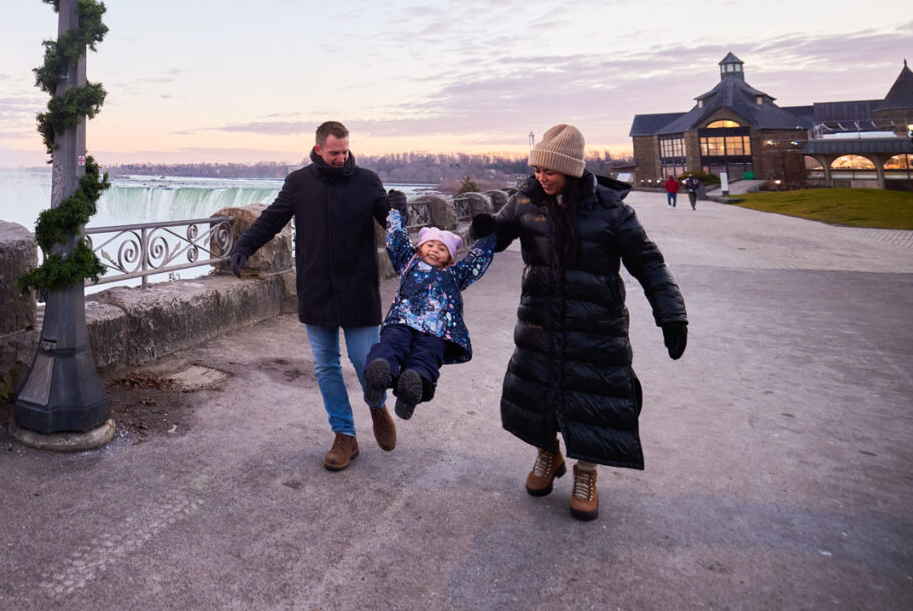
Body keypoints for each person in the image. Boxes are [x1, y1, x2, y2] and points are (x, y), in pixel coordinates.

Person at [489, 124, 688, 521]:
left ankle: (586, 473)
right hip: (540, 321)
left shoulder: (611, 211)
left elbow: (648, 262)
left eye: (550, 171)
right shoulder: (526, 200)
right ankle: (548, 454)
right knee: (537, 392)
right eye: (537, 169)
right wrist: (459, 243)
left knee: (591, 399)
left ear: (571, 170)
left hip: (595, 325)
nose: (541, 177)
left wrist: (671, 313)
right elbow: (494, 237)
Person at [228, 121, 389, 471]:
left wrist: (397, 207)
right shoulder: (299, 183)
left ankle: (377, 408)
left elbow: (387, 218)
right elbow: (272, 219)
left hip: (360, 288)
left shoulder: (368, 181)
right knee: (326, 366)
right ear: (318, 149)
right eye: (334, 152)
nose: (341, 157)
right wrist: (243, 246)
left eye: (345, 151)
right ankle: (345, 435)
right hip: (317, 288)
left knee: (367, 364)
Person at [362, 194, 497, 422]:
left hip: (436, 332)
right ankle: (381, 373)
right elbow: (396, 239)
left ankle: (413, 385)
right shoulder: (409, 262)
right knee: (391, 345)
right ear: (420, 248)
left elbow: (477, 260)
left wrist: (490, 236)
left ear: (450, 257)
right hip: (403, 321)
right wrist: (395, 211)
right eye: (430, 245)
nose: (434, 250)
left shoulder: (455, 274)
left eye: (442, 248)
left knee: (427, 357)